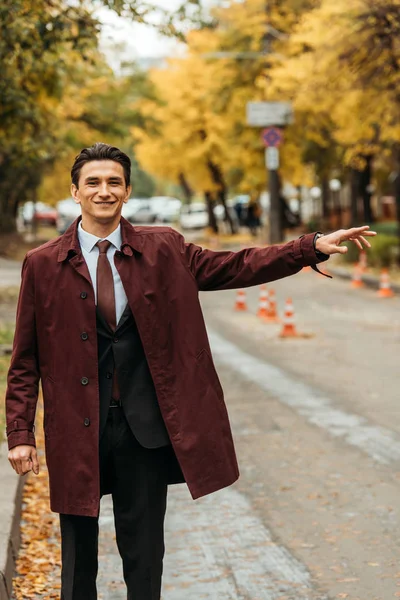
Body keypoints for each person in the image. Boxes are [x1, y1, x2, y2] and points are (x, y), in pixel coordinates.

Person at [5, 143, 376, 600]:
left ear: (127, 192)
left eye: (114, 182)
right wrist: (20, 432)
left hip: (143, 430)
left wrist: (308, 248)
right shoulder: (43, 264)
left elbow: (235, 265)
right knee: (78, 563)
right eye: (94, 183)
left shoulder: (164, 248)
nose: (104, 191)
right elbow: (24, 359)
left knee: (144, 558)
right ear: (75, 192)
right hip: (77, 430)